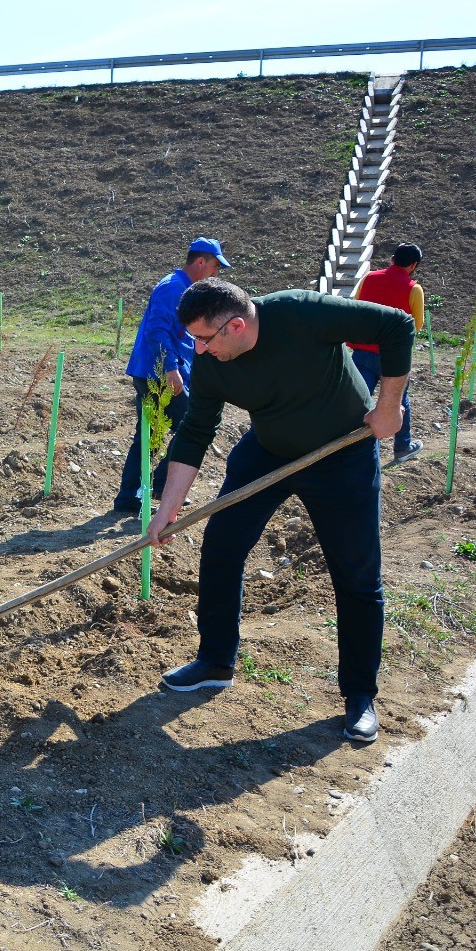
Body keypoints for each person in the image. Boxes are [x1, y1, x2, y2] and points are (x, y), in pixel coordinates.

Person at [144, 278, 414, 745]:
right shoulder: (212, 362)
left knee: (356, 577)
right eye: (193, 341)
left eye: (204, 340)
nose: (199, 352)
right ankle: (215, 660)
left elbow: (396, 325)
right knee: (222, 545)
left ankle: (359, 695)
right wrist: (168, 507)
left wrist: (388, 405)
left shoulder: (301, 313)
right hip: (268, 452)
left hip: (341, 454)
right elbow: (195, 431)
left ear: (236, 325)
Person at [113, 238, 230, 516]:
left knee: (153, 433)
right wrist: (170, 369)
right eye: (214, 266)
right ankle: (150, 489)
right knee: (190, 426)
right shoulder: (172, 288)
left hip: (165, 373)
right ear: (200, 262)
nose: (216, 273)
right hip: (156, 374)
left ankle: (136, 494)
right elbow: (158, 332)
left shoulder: (185, 289)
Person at [347, 242, 426, 465]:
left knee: (358, 401)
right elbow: (416, 325)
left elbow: (356, 307)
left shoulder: (369, 278)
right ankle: (402, 447)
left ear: (392, 259)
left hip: (363, 351)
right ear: (413, 265)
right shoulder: (413, 288)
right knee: (400, 400)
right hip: (394, 357)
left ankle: (351, 450)